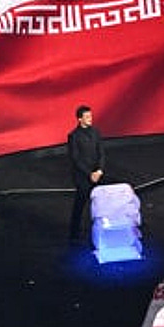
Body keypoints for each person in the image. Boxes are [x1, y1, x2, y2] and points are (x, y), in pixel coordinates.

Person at [67, 104, 105, 244]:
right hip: (83, 177)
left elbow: (101, 152)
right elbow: (75, 159)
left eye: (90, 116)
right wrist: (90, 174)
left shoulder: (96, 132)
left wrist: (99, 170)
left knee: (102, 202)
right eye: (87, 116)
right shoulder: (73, 136)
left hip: (97, 173)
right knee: (80, 204)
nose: (90, 118)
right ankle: (74, 233)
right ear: (79, 119)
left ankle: (103, 229)